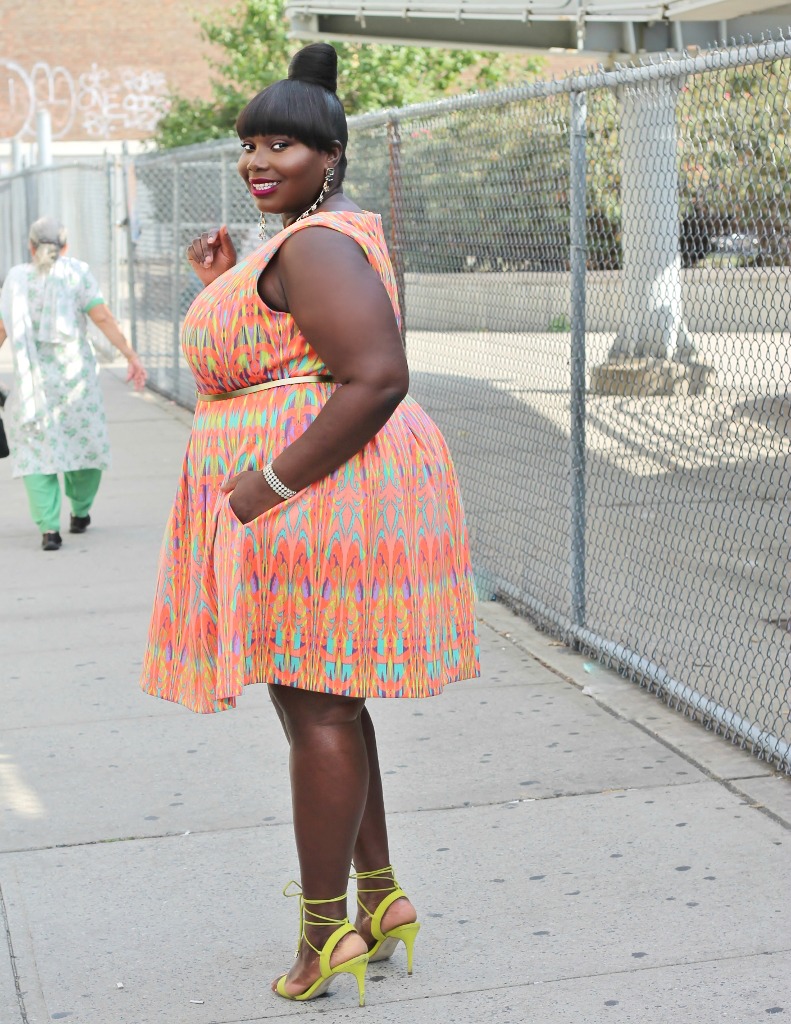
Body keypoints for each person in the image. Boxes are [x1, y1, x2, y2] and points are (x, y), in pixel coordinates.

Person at [140, 43, 479, 1007]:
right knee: (325, 703)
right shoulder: (296, 240)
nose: (256, 161)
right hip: (305, 496)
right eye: (248, 145)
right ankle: (379, 899)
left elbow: (376, 376)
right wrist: (228, 277)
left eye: (281, 144)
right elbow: (281, 343)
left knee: (318, 708)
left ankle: (323, 934)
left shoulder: (320, 242)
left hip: (312, 496)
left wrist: (266, 486)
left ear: (328, 156)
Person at [0, 218, 147, 550]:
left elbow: (2, 329)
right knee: (85, 448)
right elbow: (102, 317)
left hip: (31, 386)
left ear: (30, 246)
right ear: (65, 248)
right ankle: (80, 513)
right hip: (75, 384)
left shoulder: (16, 280)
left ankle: (49, 530)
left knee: (38, 456)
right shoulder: (76, 273)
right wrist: (130, 355)